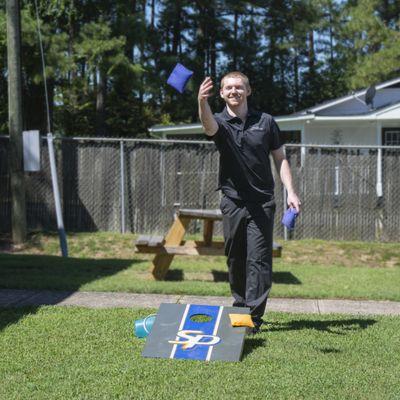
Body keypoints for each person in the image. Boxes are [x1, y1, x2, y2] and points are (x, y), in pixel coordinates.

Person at [198, 72, 301, 334]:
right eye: (228, 88)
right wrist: (202, 102)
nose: (234, 91)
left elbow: (280, 158)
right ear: (221, 93)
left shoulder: (265, 122)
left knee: (259, 259)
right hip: (233, 201)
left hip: (262, 201)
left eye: (239, 87)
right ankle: (240, 307)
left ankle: (251, 318)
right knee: (236, 258)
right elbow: (209, 127)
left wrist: (290, 190)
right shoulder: (220, 121)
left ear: (248, 90)